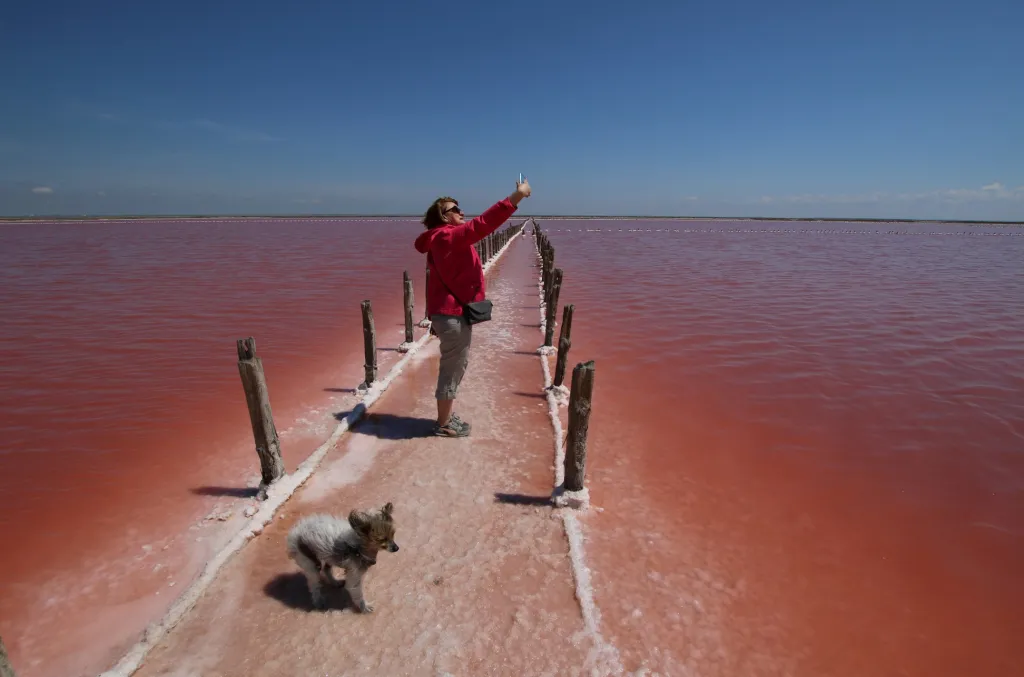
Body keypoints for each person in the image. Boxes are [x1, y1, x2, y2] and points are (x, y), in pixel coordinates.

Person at [414, 179, 532, 437]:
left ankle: (445, 415)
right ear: (443, 217)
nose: (461, 212)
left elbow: (435, 281)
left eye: (459, 207)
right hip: (452, 315)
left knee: (454, 365)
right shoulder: (446, 236)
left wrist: (435, 318)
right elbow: (483, 224)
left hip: (448, 313)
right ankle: (443, 424)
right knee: (453, 368)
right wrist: (516, 197)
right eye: (454, 209)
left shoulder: (442, 239)